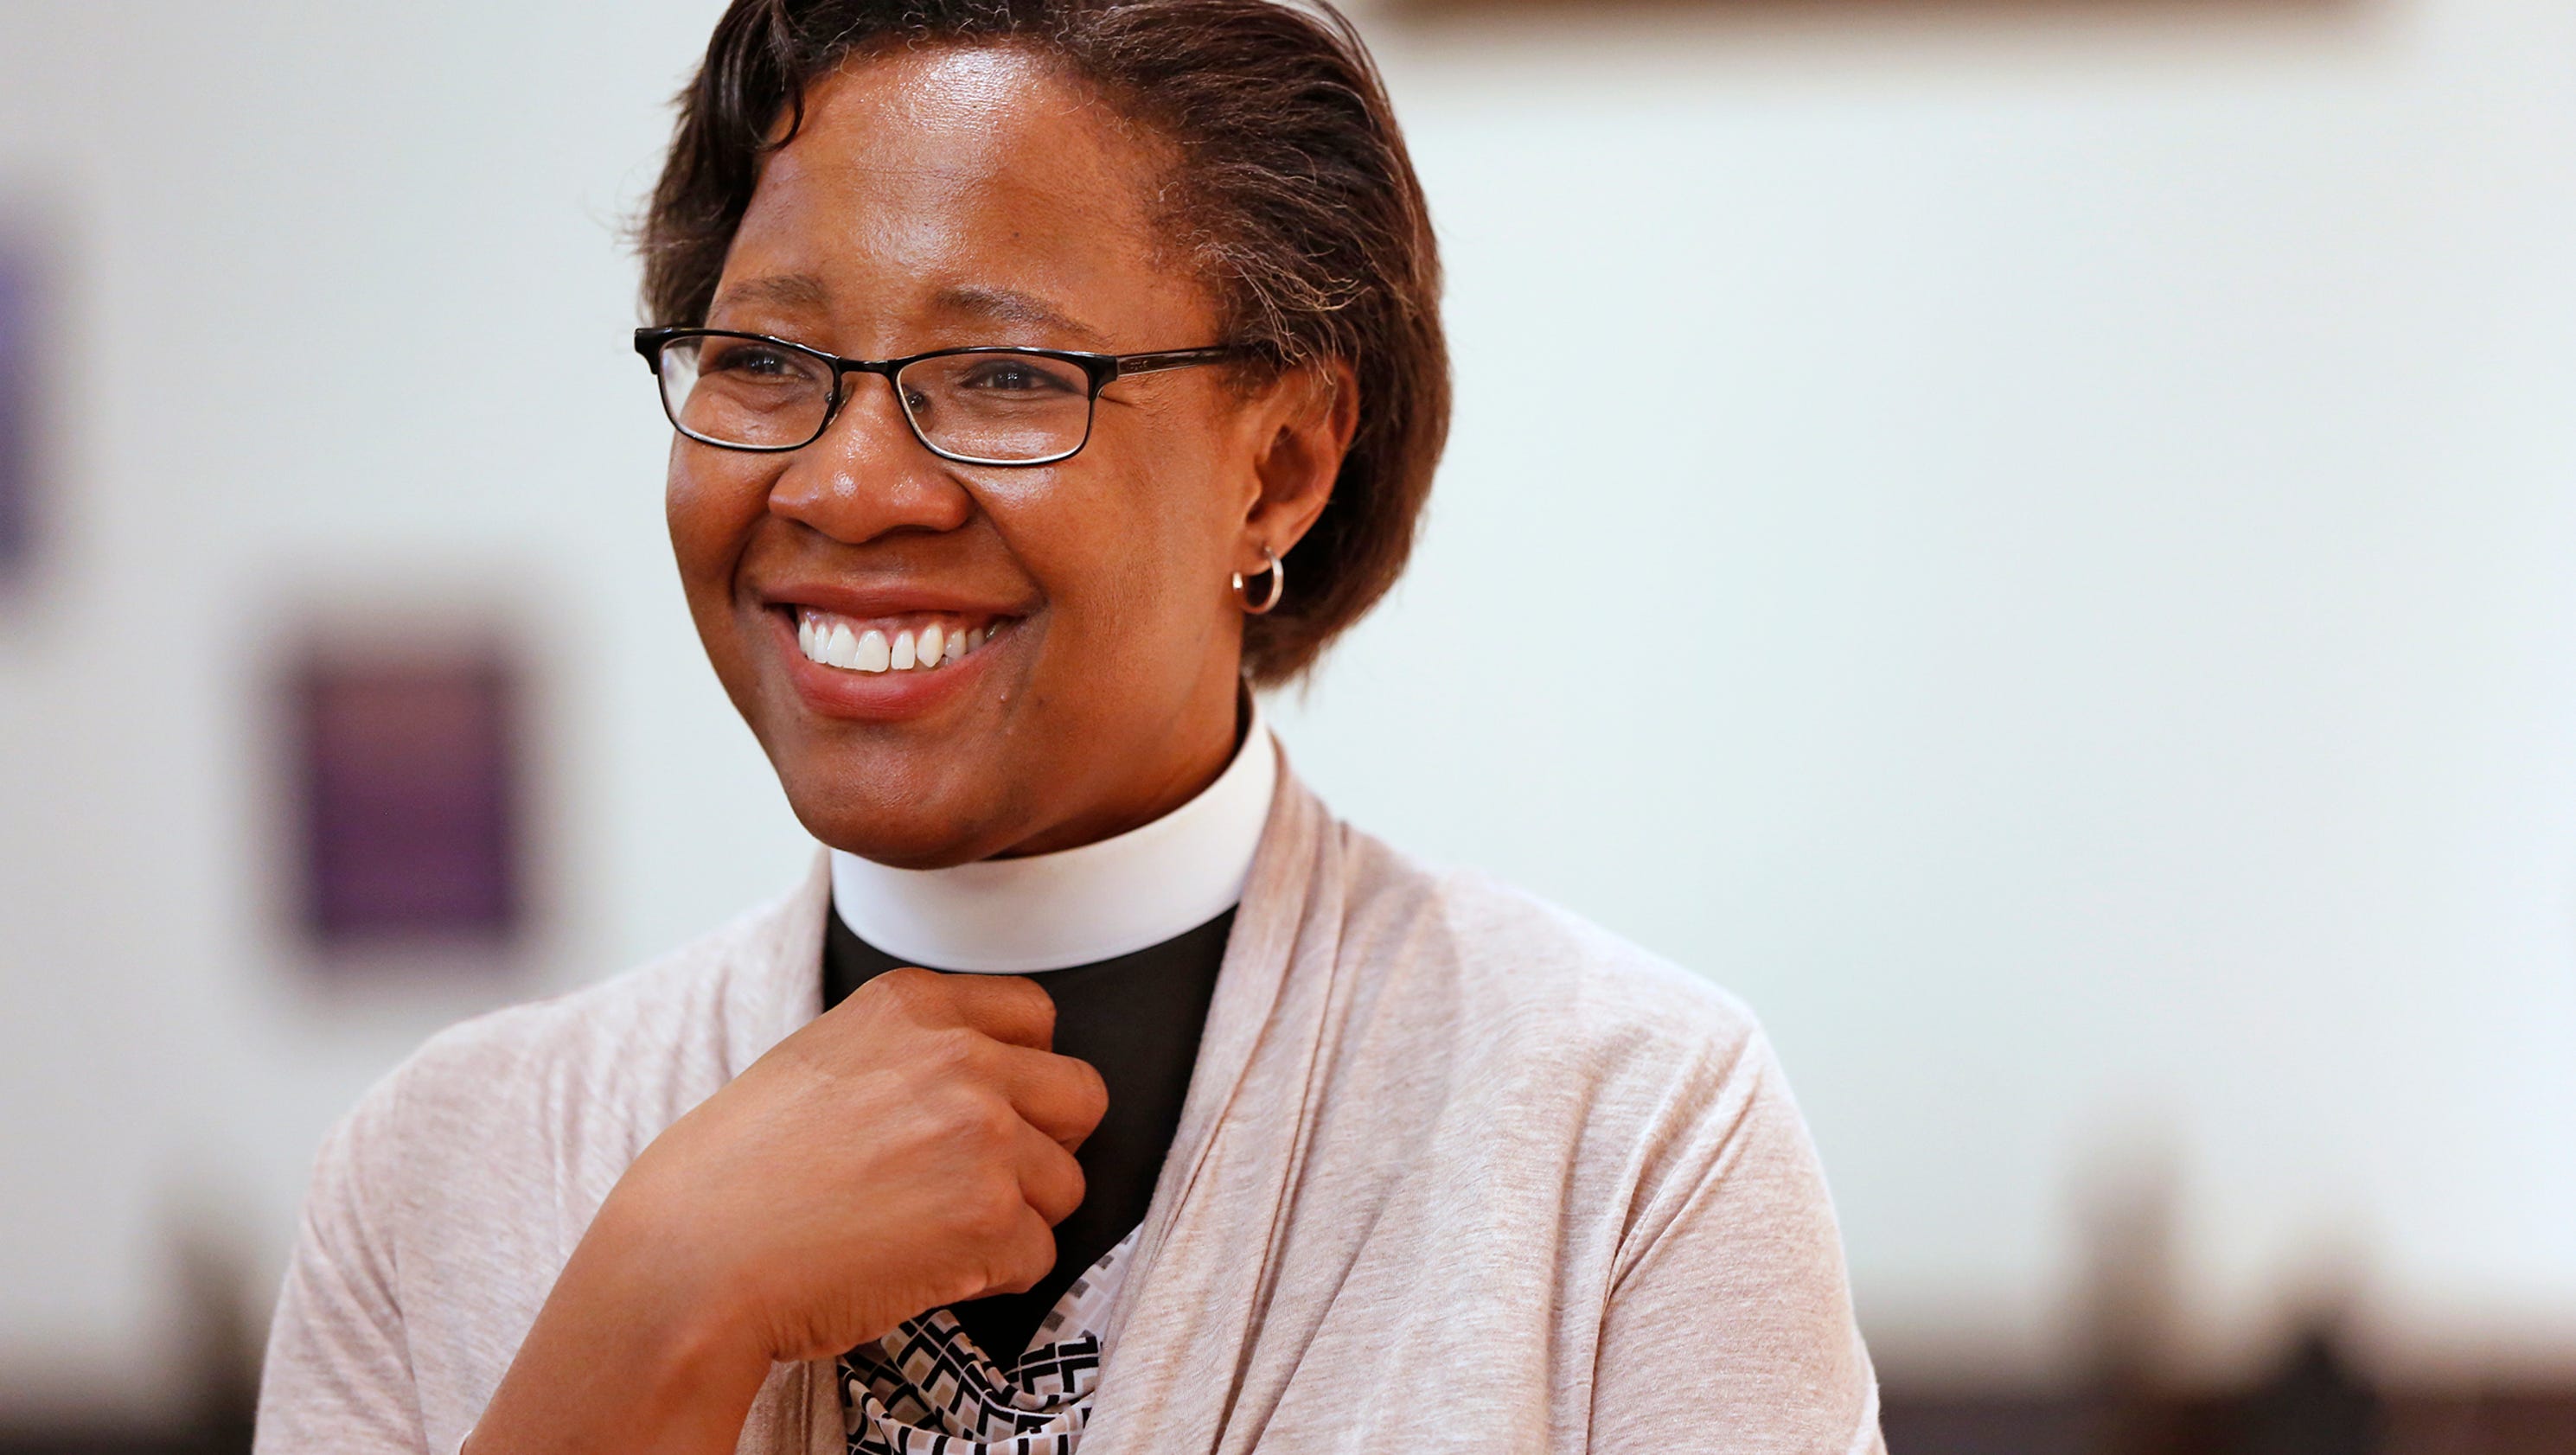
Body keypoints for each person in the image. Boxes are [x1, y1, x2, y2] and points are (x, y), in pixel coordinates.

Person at [253, 2, 1884, 1452]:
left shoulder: (1622, 1136)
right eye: (761, 358)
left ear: (1285, 466)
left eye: (1005, 376)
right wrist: (660, 1309)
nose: (844, 486)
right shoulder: (440, 1175)